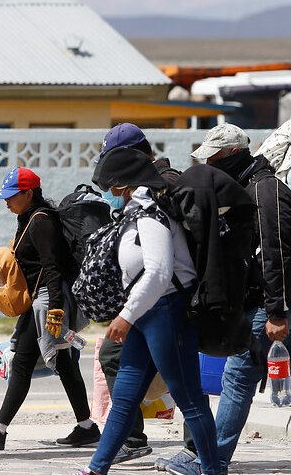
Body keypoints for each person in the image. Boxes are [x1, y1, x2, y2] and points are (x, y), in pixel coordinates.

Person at [168, 124, 291, 475]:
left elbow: (278, 254)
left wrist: (277, 312)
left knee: (238, 376)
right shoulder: (247, 185)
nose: (208, 163)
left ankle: (212, 461)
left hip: (276, 300)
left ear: (230, 154)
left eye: (212, 156)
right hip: (269, 299)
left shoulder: (264, 189)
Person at [75, 148, 226, 475]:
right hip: (148, 315)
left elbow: (158, 272)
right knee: (125, 400)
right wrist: (133, 314)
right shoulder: (136, 212)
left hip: (166, 312)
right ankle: (96, 468)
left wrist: (126, 315)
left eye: (110, 184)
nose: (108, 191)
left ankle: (214, 469)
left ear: (122, 184)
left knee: (189, 399)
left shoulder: (151, 215)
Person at [0, 167, 99, 451]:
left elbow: (52, 268)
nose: (6, 201)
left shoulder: (41, 222)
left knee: (26, 363)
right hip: (38, 301)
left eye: (12, 196)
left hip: (47, 300)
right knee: (59, 363)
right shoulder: (27, 218)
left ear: (29, 193)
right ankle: (86, 426)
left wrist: (55, 309)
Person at [93, 123, 185, 464]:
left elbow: (161, 267)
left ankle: (201, 455)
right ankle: (106, 459)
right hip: (150, 305)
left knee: (184, 386)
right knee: (124, 369)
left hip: (168, 304)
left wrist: (127, 314)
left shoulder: (160, 187)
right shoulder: (145, 189)